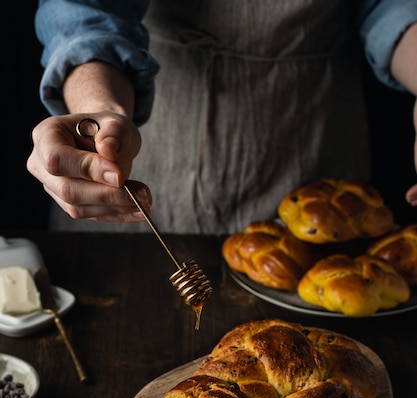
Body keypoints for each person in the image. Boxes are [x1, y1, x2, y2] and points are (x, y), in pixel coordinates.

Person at [27, 0, 417, 235]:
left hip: (310, 141)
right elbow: (86, 10)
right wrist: (101, 113)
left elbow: (393, 7)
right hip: (154, 132)